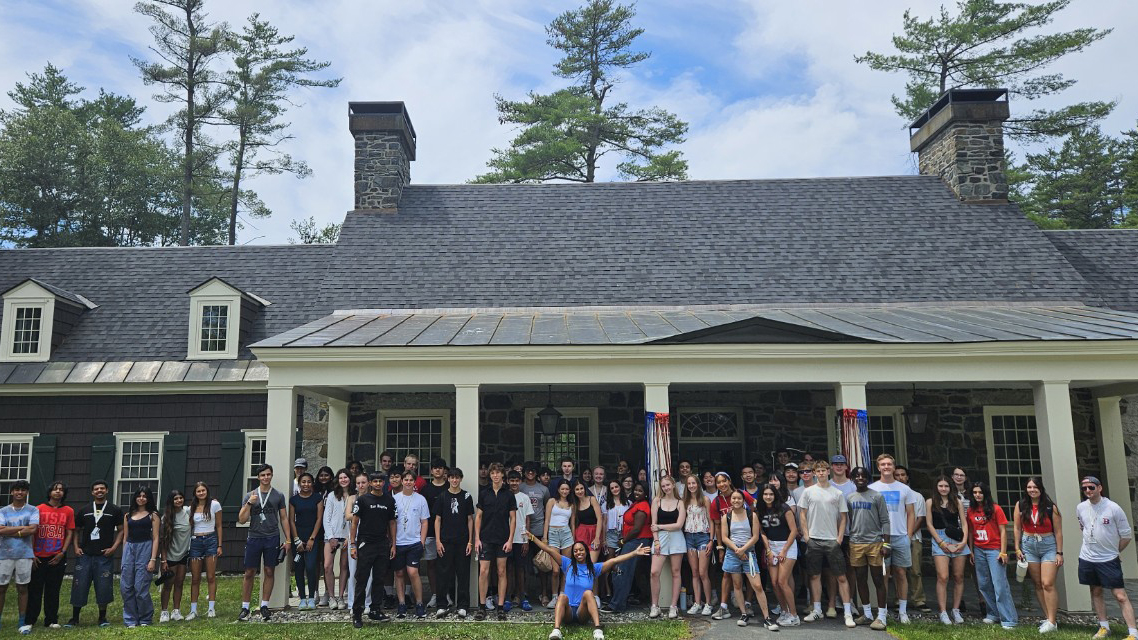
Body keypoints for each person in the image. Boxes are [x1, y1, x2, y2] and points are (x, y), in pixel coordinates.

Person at [530, 534, 649, 640]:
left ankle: (597, 629)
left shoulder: (594, 568)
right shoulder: (567, 564)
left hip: (582, 613)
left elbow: (614, 560)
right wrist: (533, 538)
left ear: (586, 552)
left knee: (588, 593)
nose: (578, 553)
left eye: (581, 550)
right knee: (562, 596)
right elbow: (549, 550)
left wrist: (634, 553)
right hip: (568, 612)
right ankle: (556, 630)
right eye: (575, 551)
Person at [1076, 475, 1136, 640]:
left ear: (1099, 488)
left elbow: (1126, 535)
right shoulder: (1081, 507)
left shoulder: (1113, 508)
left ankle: (1133, 633)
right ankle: (1104, 627)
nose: (1088, 491)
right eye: (1084, 488)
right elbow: (1084, 527)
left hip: (1108, 559)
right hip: (1088, 557)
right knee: (1095, 591)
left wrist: (1115, 552)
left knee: (1120, 595)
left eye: (1091, 487)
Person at [797, 460, 854, 627]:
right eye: (818, 471)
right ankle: (817, 610)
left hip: (832, 540)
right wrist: (806, 536)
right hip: (814, 539)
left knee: (841, 576)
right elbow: (802, 514)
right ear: (814, 473)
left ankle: (848, 612)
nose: (821, 473)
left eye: (824, 470)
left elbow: (844, 517)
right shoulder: (808, 492)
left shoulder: (837, 493)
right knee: (814, 575)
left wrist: (839, 538)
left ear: (828, 472)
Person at [868, 453, 918, 624]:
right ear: (878, 467)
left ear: (894, 467)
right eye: (883, 464)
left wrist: (909, 535)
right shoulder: (873, 488)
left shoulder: (905, 489)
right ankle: (884, 610)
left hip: (901, 535)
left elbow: (911, 513)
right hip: (881, 537)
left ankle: (903, 611)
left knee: (901, 573)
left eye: (889, 464)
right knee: (884, 574)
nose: (886, 467)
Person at [238, 463, 291, 622]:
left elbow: (283, 518)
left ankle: (264, 606)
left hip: (272, 537)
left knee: (269, 571)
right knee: (249, 572)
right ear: (258, 477)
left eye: (268, 474)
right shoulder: (250, 495)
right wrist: (249, 503)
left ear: (271, 475)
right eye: (263, 475)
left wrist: (288, 539)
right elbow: (241, 520)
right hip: (254, 537)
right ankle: (245, 607)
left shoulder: (278, 496)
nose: (266, 477)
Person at [66, 480, 122, 628]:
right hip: (85, 554)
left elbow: (122, 530)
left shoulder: (114, 510)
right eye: (96, 489)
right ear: (92, 492)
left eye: (102, 488)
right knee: (80, 585)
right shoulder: (84, 510)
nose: (99, 491)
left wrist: (114, 547)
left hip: (104, 555)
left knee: (104, 586)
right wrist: (76, 547)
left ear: (107, 490)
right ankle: (75, 618)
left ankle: (102, 618)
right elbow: (76, 530)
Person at [719, 490, 778, 630]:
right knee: (737, 585)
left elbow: (755, 537)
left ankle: (767, 618)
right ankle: (743, 614)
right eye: (733, 498)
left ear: (743, 500)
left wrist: (743, 549)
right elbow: (725, 537)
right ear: (730, 500)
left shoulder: (752, 515)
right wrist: (737, 550)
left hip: (749, 553)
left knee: (757, 585)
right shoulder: (726, 517)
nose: (736, 501)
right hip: (733, 553)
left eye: (739, 498)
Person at [1012, 476, 1062, 633]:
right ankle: (1048, 618)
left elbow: (1058, 532)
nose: (1032, 490)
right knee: (1038, 584)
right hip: (1029, 544)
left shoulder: (1049, 507)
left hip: (1048, 545)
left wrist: (1059, 552)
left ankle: (1053, 621)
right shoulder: (1021, 505)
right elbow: (1017, 528)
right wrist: (1017, 548)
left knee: (1047, 583)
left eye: (1035, 487)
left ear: (1040, 489)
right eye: (1029, 487)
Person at [349, 471, 396, 628]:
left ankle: (375, 610)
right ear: (370, 483)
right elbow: (354, 522)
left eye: (380, 481)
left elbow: (392, 524)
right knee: (361, 579)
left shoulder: (389, 500)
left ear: (384, 483)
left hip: (382, 544)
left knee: (379, 578)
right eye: (374, 481)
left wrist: (393, 544)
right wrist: (353, 544)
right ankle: (357, 613)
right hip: (365, 544)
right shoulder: (362, 500)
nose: (377, 484)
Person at [967, 481, 1017, 629]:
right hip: (979, 549)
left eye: (980, 492)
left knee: (999, 584)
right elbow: (970, 531)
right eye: (975, 492)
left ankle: (1009, 619)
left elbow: (1003, 531)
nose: (977, 495)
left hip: (994, 550)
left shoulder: (996, 509)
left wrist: (1003, 551)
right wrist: (971, 550)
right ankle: (993, 613)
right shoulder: (970, 510)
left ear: (985, 493)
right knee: (983, 584)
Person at [846, 466, 890, 630]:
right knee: (860, 579)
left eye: (863, 475)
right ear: (853, 478)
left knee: (878, 579)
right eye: (857, 476)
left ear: (868, 478)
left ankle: (882, 616)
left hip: (875, 542)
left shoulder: (877, 496)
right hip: (856, 542)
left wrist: (886, 543)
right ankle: (867, 614)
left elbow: (885, 520)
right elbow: (850, 519)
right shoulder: (850, 497)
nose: (860, 478)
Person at [27, 481, 73, 630]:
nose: (58, 492)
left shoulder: (68, 511)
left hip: (57, 556)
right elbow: (31, 532)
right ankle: (30, 620)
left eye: (61, 490)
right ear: (49, 492)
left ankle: (51, 619)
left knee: (53, 590)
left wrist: (62, 552)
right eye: (55, 489)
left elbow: (69, 533)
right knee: (35, 590)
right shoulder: (38, 509)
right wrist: (32, 553)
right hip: (38, 556)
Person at [475, 463, 516, 620]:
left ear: (502, 475)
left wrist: (510, 539)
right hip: (485, 538)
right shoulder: (484, 494)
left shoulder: (508, 495)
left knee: (501, 571)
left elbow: (513, 518)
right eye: (493, 473)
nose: (495, 475)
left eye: (498, 472)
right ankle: (482, 606)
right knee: (484, 571)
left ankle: (500, 606)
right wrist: (477, 538)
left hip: (503, 538)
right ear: (490, 475)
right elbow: (478, 516)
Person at [603, 482, 652, 614]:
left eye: (640, 491)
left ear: (645, 493)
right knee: (623, 572)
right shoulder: (635, 503)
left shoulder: (643, 506)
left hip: (637, 541)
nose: (637, 492)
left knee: (621, 571)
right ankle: (618, 601)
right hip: (633, 541)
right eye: (636, 490)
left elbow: (637, 529)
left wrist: (623, 541)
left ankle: (617, 605)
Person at [927, 475, 969, 626]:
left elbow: (964, 523)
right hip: (939, 537)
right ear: (936, 487)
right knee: (943, 576)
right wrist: (940, 542)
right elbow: (929, 524)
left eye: (946, 486)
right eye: (941, 486)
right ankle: (943, 611)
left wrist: (964, 541)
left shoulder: (956, 502)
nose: (943, 489)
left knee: (958, 576)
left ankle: (955, 610)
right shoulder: (930, 502)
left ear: (950, 488)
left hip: (957, 538)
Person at [0, 479, 40, 635]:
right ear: (12, 492)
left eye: (23, 490)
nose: (19, 492)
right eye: (16, 490)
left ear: (27, 492)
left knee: (22, 588)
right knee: (1, 588)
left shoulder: (33, 510)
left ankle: (22, 621)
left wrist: (11, 530)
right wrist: (22, 528)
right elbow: (0, 531)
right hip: (4, 554)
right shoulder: (3, 511)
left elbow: (33, 529)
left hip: (24, 554)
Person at [434, 467, 474, 618]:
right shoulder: (442, 496)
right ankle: (441, 605)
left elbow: (470, 519)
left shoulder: (466, 497)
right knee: (443, 574)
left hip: (463, 541)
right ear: (448, 479)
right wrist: (438, 541)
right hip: (445, 541)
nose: (454, 480)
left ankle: (463, 605)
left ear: (461, 479)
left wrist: (470, 541)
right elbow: (437, 520)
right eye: (452, 477)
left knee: (463, 574)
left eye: (457, 477)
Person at [758, 482, 799, 627]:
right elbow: (761, 531)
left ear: (775, 495)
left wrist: (784, 550)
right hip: (771, 545)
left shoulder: (784, 508)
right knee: (774, 582)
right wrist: (768, 550)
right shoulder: (760, 510)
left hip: (787, 545)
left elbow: (794, 531)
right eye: (765, 494)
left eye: (771, 494)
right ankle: (784, 611)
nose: (768, 497)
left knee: (782, 581)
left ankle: (794, 615)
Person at [391, 470, 430, 619]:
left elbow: (425, 521)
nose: (408, 482)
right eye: (405, 479)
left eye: (410, 480)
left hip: (414, 542)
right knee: (399, 573)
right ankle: (401, 604)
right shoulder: (395, 499)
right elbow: (391, 522)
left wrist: (422, 541)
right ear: (401, 481)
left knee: (413, 572)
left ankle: (419, 603)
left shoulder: (420, 499)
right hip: (399, 542)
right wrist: (393, 543)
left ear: (415, 483)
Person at [649, 475, 687, 619]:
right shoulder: (657, 501)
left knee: (676, 572)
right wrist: (656, 541)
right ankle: (655, 605)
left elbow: (679, 525)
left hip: (677, 538)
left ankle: (673, 606)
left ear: (673, 485)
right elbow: (653, 525)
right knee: (654, 572)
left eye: (668, 485)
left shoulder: (680, 503)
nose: (666, 488)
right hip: (661, 538)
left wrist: (659, 526)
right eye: (663, 486)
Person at [120, 487, 159, 628]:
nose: (141, 498)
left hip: (145, 548)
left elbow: (155, 538)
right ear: (135, 497)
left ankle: (145, 618)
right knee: (126, 587)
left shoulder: (153, 515)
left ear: (148, 498)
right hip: (129, 549)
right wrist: (124, 557)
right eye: (139, 495)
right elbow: (125, 537)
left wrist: (153, 559)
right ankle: (130, 619)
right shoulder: (128, 515)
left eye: (144, 496)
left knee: (140, 587)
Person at [186, 481, 222, 620]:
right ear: (195, 493)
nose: (201, 493)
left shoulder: (215, 505)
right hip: (196, 541)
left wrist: (220, 545)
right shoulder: (191, 508)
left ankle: (211, 608)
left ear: (207, 491)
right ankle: (193, 610)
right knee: (195, 578)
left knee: (211, 576)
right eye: (198, 491)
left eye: (203, 490)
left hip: (211, 540)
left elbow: (219, 525)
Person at [894, 465, 928, 613]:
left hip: (913, 538)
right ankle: (899, 599)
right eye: (897, 475)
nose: (900, 477)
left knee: (915, 570)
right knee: (898, 571)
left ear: (907, 477)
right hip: (896, 537)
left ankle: (918, 600)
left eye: (903, 475)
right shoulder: (892, 495)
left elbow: (920, 518)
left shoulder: (917, 496)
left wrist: (908, 535)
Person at [290, 472, 325, 610]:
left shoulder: (317, 498)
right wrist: (297, 540)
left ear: (312, 483)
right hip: (298, 537)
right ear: (299, 484)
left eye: (309, 482)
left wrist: (312, 539)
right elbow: (291, 521)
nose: (306, 484)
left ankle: (311, 597)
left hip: (313, 537)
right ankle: (302, 599)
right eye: (303, 482)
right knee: (299, 567)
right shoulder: (294, 500)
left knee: (311, 567)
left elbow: (319, 519)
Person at [682, 474, 713, 617]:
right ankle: (697, 602)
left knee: (702, 572)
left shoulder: (705, 499)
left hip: (702, 537)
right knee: (694, 572)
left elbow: (711, 521)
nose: (691, 486)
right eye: (689, 484)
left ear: (698, 484)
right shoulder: (685, 501)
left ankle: (708, 603)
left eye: (694, 483)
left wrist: (711, 540)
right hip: (689, 537)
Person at [158, 489, 191, 622]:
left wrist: (214, 502)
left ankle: (176, 611)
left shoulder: (188, 512)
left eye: (180, 498)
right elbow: (163, 541)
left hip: (183, 554)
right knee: (168, 584)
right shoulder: (166, 517)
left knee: (179, 582)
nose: (178, 501)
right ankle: (164, 611)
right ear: (171, 501)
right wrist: (163, 560)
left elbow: (203, 504)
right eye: (176, 499)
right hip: (170, 556)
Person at [521, 462, 552, 606]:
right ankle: (523, 594)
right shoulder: (520, 487)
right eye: (528, 470)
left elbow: (547, 510)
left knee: (543, 564)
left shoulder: (544, 489)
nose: (530, 473)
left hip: (539, 530)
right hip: (523, 531)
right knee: (523, 565)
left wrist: (546, 534)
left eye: (533, 471)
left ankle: (544, 593)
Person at [420, 458, 449, 610]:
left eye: (441, 468)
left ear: (445, 470)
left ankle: (447, 594)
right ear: (431, 471)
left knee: (446, 564)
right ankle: (435, 594)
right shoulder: (426, 490)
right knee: (431, 563)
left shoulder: (450, 487)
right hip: (430, 532)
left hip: (448, 533)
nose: (438, 470)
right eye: (435, 468)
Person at [345, 472, 374, 614]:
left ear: (368, 483)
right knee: (354, 572)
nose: (361, 485)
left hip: (369, 537)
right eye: (358, 483)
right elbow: (348, 515)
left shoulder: (373, 497)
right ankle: (352, 603)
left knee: (369, 573)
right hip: (354, 537)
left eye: (363, 482)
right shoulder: (352, 498)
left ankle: (367, 603)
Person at [323, 469, 352, 609]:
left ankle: (341, 597)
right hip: (332, 536)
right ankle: (331, 597)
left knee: (344, 566)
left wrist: (350, 537)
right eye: (341, 478)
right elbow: (326, 519)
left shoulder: (354, 496)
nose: (343, 480)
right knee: (327, 566)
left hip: (347, 536)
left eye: (345, 477)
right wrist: (331, 537)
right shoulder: (332, 496)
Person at [544, 478, 575, 608]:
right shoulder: (552, 501)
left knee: (565, 569)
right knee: (555, 570)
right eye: (562, 488)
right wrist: (544, 537)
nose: (564, 491)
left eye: (567, 489)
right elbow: (546, 520)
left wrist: (574, 539)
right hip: (553, 534)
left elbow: (572, 524)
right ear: (558, 489)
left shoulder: (572, 504)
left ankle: (563, 595)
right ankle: (554, 596)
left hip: (566, 535)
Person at [507, 470, 534, 612]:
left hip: (521, 538)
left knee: (521, 569)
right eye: (511, 480)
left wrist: (526, 539)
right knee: (508, 570)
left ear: (520, 482)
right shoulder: (504, 496)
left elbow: (528, 519)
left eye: (516, 481)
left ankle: (523, 597)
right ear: (507, 482)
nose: (514, 483)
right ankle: (507, 598)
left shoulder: (524, 497)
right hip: (507, 539)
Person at [573, 481, 604, 562]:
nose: (580, 491)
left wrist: (597, 538)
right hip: (581, 533)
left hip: (594, 532)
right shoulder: (574, 504)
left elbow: (599, 518)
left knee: (592, 562)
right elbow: (573, 523)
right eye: (577, 489)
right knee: (582, 561)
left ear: (585, 489)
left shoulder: (592, 499)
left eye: (581, 488)